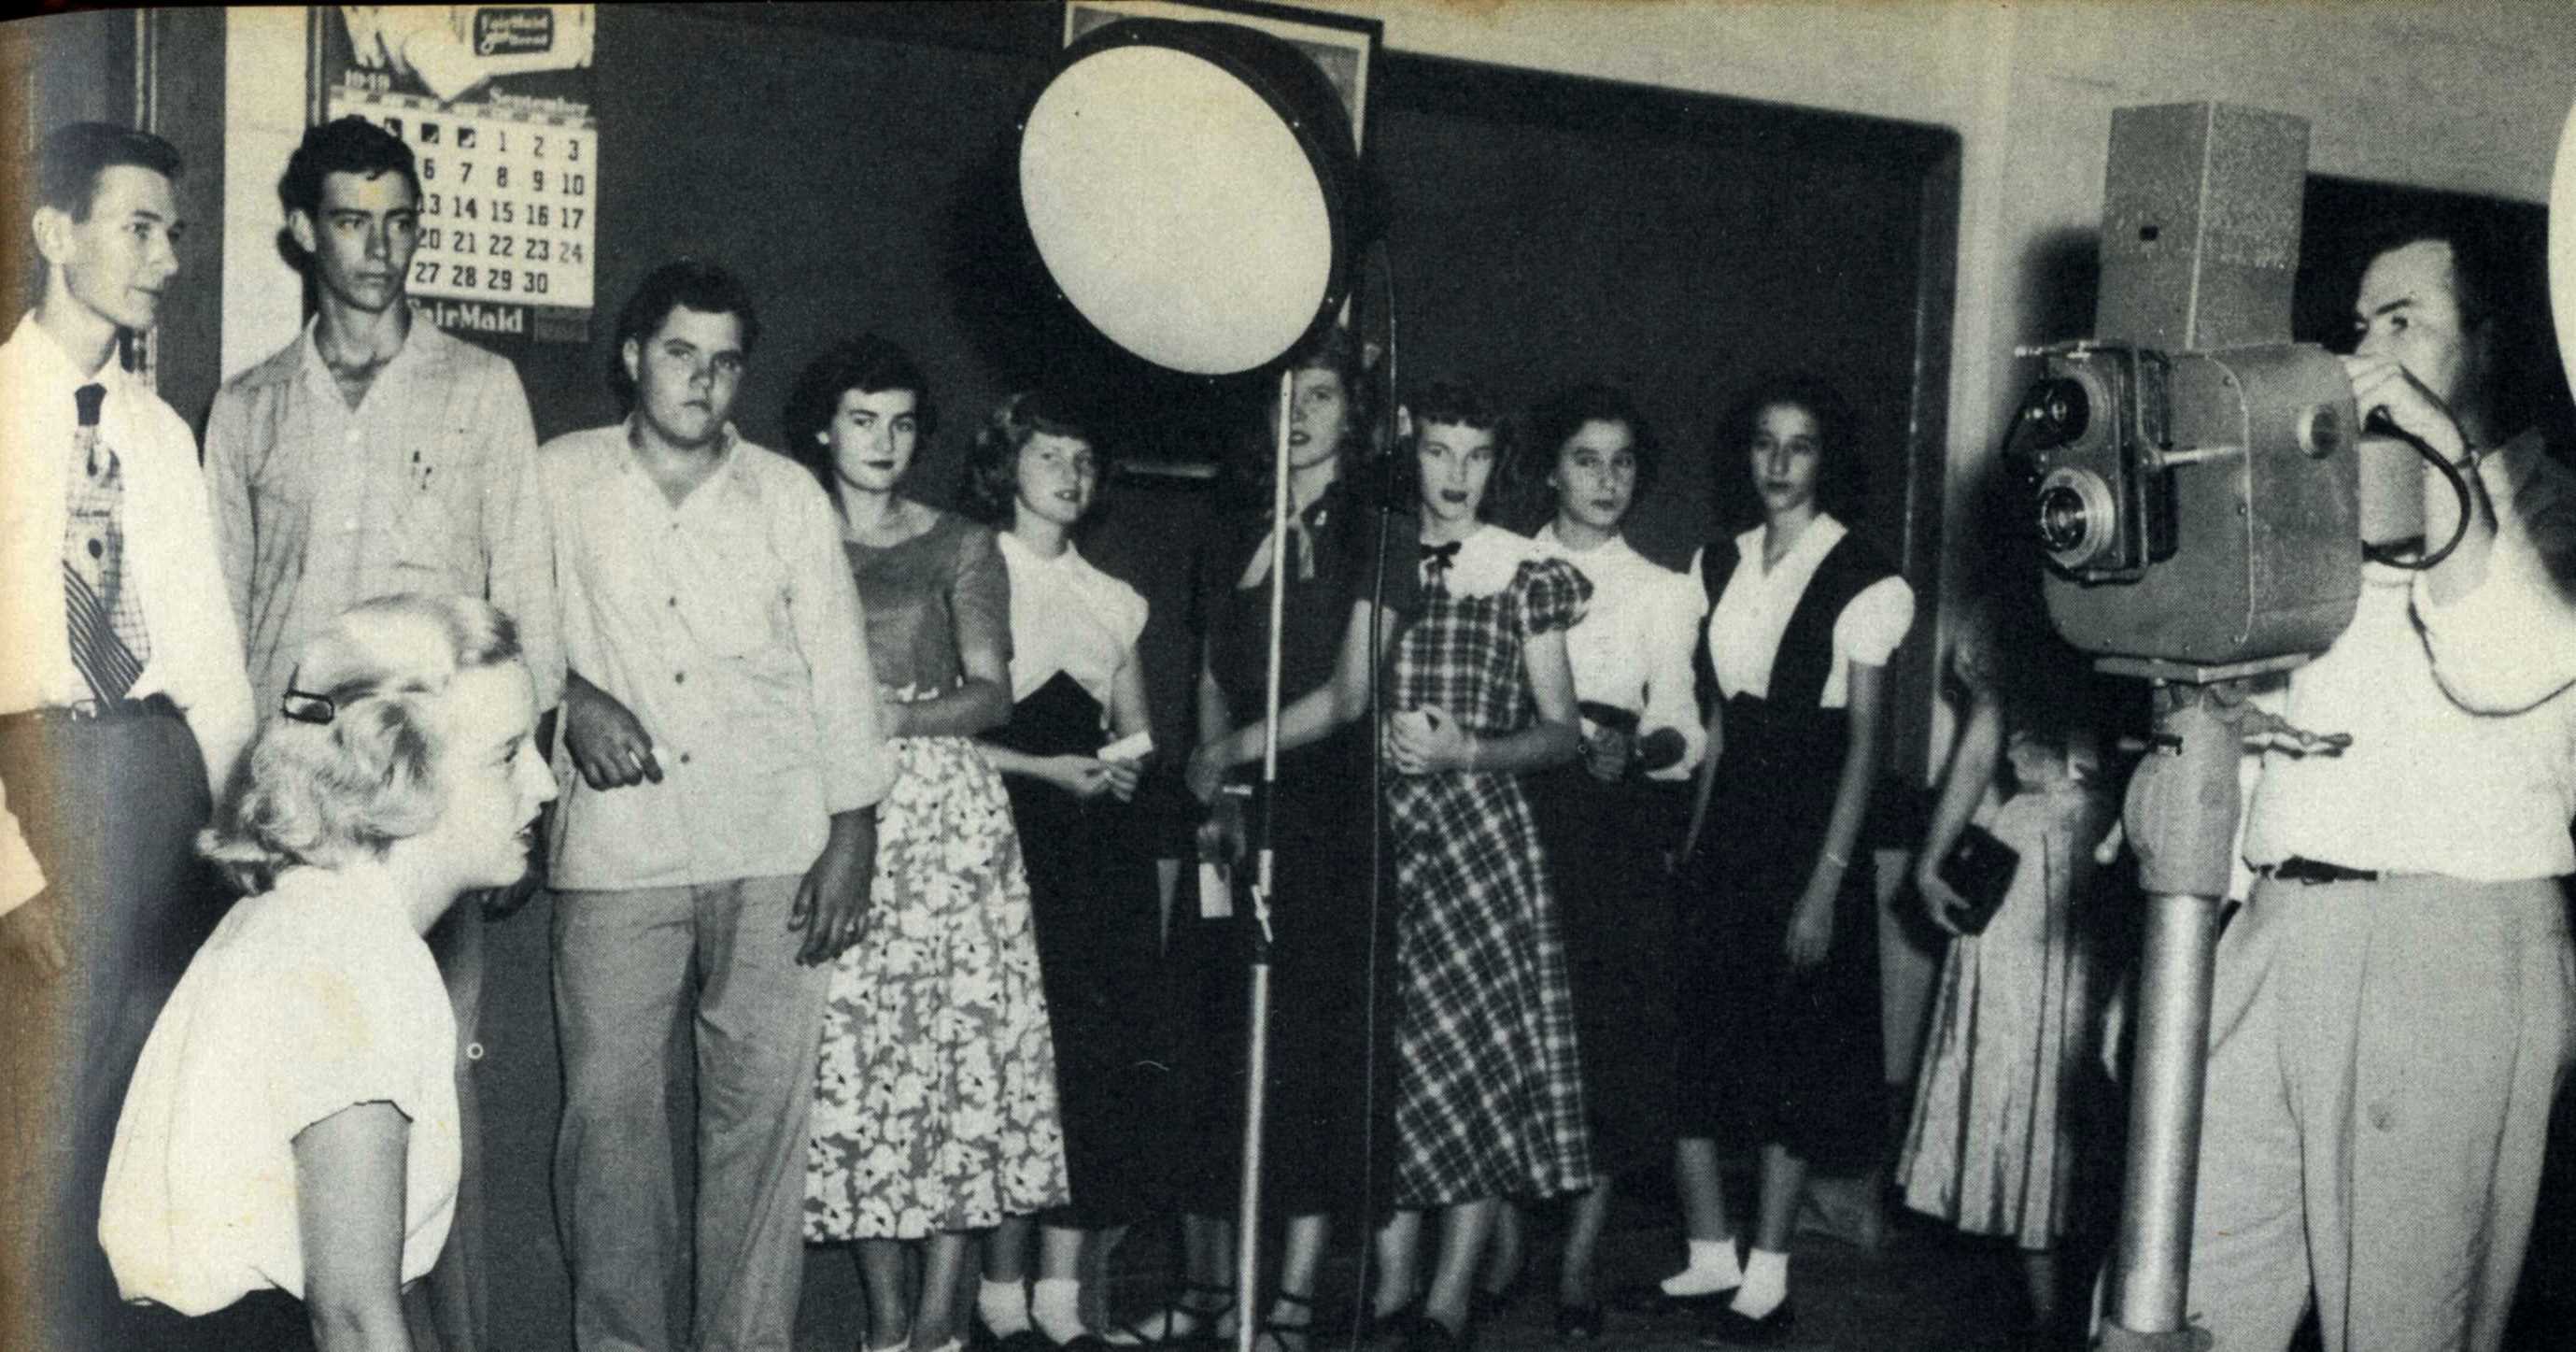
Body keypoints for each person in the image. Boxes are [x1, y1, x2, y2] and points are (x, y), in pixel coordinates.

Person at [201, 115, 564, 1351]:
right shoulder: (249, 406)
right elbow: (218, 626)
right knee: (294, 1096)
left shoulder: (481, 390)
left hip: (430, 814)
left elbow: (528, 603)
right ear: (304, 233)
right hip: (297, 812)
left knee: (427, 1087)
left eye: (401, 222)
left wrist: (516, 791)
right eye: (353, 222)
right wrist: (237, 810)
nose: (380, 248)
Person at [2186, 215, 2576, 1352]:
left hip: (2447, 944)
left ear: (2493, 345)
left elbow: (2499, 663)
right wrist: (2195, 946)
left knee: (2404, 1321)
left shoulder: (2555, 511)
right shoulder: (2333, 506)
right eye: (2361, 324)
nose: (2366, 350)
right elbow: (2258, 726)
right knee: (2181, 1288)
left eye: (2404, 321)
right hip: (2277, 923)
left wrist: (2436, 447)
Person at [1196, 376, 1595, 1352]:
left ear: (1500, 466)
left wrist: (1469, 749)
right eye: (1439, 451)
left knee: (1474, 1067)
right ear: (1409, 451)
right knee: (1391, 1068)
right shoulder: (1369, 548)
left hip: (1476, 839)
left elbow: (1564, 733)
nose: (1456, 475)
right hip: (1369, 833)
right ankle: (1390, 1282)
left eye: (1477, 456)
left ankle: (1450, 1297)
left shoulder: (1520, 569)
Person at [540, 261, 890, 1352]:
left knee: (761, 1127)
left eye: (724, 362)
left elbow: (840, 672)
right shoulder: (557, 478)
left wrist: (854, 832)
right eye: (680, 353)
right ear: (633, 356)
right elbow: (505, 621)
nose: (701, 380)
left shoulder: (788, 496)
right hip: (619, 847)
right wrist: (572, 700)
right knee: (608, 1121)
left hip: (773, 843)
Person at [98, 594, 553, 1352]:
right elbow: (352, 1319)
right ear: (399, 767)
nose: (543, 783)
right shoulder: (356, 960)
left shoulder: (324, 914)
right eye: (507, 755)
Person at [0, 121, 255, 1352]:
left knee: (149, 1138)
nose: (167, 259)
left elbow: (207, 658)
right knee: (40, 1145)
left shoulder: (156, 433)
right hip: (46, 789)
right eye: (139, 229)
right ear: (57, 232)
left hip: (163, 785)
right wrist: (10, 876)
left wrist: (247, 827)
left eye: (174, 233)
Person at [786, 337, 1069, 1352]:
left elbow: (993, 693)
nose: (883, 441)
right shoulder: (785, 529)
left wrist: (897, 718)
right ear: (825, 429)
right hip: (822, 813)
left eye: (902, 424)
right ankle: (887, 1324)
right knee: (856, 1070)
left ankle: (942, 1324)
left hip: (944, 826)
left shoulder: (960, 543)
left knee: (955, 1068)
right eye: (863, 420)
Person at [1159, 328, 1394, 1352]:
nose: (1301, 413)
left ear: (1356, 411)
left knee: (1310, 1053)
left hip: (1328, 813)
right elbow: (1212, 670)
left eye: (1324, 395)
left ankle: (1293, 1303)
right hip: (1232, 813)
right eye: (1285, 395)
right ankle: (1206, 1292)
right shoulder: (1228, 529)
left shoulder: (1379, 529)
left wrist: (1235, 752)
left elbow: (1349, 695)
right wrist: (1216, 784)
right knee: (1206, 1039)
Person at [1669, 373, 1914, 1345]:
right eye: (1764, 442)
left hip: (1812, 832)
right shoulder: (1716, 563)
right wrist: (1691, 847)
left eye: (1799, 444)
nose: (1777, 463)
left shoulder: (1864, 577)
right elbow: (1720, 724)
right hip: (1728, 827)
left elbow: (1865, 744)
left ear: (1825, 458)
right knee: (1697, 1038)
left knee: (1792, 1053)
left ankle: (1767, 1276)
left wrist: (1825, 883)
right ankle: (1710, 1254)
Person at [964, 391, 1165, 1352]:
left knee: (1085, 1067)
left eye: (1083, 460)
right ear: (1009, 464)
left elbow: (1135, 731)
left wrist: (1123, 769)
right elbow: (947, 734)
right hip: (1002, 833)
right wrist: (1046, 771)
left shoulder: (1112, 597)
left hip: (1090, 852)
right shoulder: (972, 568)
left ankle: (1060, 1298)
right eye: (1049, 455)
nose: (1069, 475)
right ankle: (998, 1299)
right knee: (1014, 1064)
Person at [1512, 383, 1702, 1340]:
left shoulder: (1664, 590)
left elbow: (1682, 726)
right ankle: (1500, 1237)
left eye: (1622, 462)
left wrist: (1642, 750)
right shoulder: (1499, 565)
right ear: (1551, 469)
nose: (1606, 479)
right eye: (1586, 460)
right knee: (1508, 1029)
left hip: (1608, 822)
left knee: (1605, 1042)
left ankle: (1580, 1256)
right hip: (1509, 804)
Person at [1894, 594, 2116, 1345]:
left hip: (2128, 850)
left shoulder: (2151, 592)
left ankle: (2107, 1310)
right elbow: (1980, 744)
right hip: (2029, 856)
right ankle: (2052, 1319)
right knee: (2026, 1079)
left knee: (2108, 1080)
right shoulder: (2007, 613)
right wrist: (1929, 858)